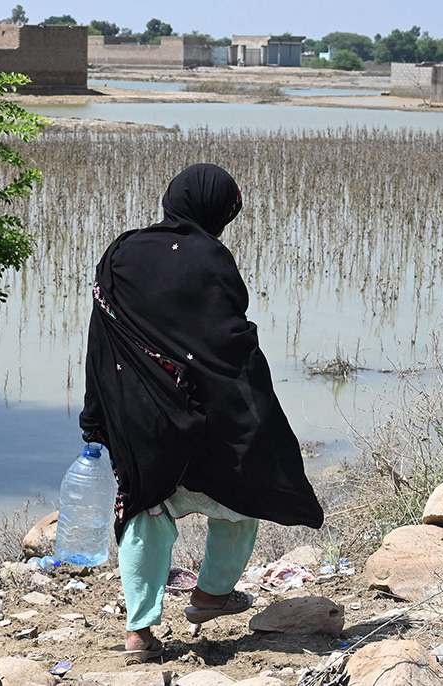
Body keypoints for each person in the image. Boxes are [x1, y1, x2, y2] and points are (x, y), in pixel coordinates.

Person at [79, 164, 324, 665]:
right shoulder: (212, 258)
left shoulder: (122, 251)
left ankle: (140, 635)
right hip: (202, 407)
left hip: (137, 409)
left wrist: (95, 416)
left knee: (147, 508)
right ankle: (212, 595)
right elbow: (228, 341)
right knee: (242, 489)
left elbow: (101, 337)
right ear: (218, 210)